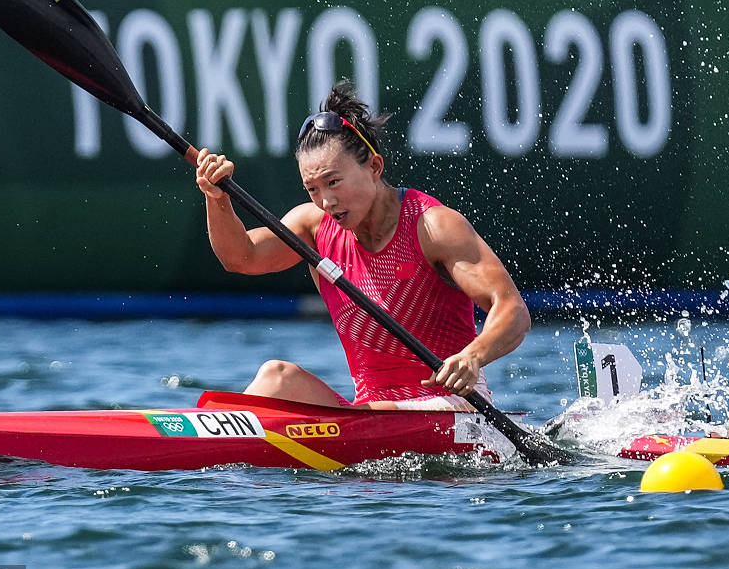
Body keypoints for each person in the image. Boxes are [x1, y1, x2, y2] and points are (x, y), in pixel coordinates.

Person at [195, 83, 530, 411]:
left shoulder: (433, 226)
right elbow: (241, 257)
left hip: (454, 409)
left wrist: (473, 356)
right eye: (312, 189)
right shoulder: (313, 227)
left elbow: (513, 310)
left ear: (374, 167)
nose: (326, 201)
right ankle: (203, 449)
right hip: (372, 411)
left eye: (333, 182)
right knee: (276, 377)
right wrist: (217, 198)